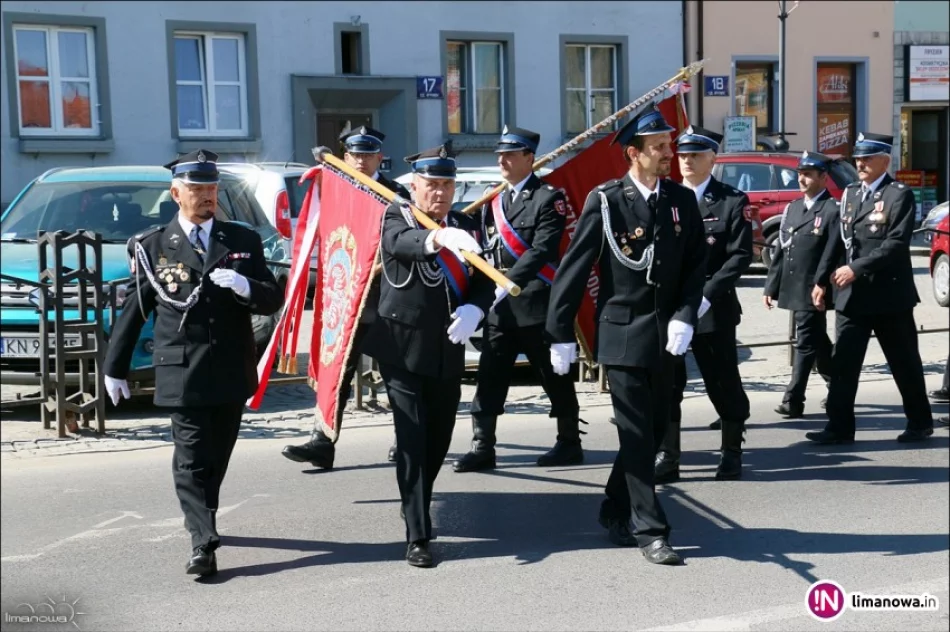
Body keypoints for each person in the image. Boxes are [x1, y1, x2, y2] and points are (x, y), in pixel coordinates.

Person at [103, 149, 284, 577]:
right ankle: (203, 541)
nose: (207, 197)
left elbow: (272, 296)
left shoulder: (241, 240)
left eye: (212, 189)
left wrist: (244, 286)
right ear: (176, 193)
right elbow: (135, 308)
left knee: (217, 454)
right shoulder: (152, 246)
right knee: (190, 457)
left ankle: (205, 513)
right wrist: (115, 366)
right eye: (197, 189)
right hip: (180, 367)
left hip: (229, 366)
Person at [546, 103, 706, 565]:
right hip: (622, 336)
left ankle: (614, 508)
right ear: (633, 154)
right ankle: (651, 530)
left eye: (667, 144)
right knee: (636, 436)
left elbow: (696, 265)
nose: (667, 152)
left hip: (666, 337)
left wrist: (686, 313)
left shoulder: (679, 200)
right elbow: (572, 270)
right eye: (657, 147)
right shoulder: (606, 200)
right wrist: (559, 331)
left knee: (655, 433)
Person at [361, 143, 494, 567]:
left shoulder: (466, 223)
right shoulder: (395, 215)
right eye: (431, 185)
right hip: (401, 345)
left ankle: (414, 496)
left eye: (447, 184)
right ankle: (418, 532)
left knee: (438, 437)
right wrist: (436, 237)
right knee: (413, 437)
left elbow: (485, 276)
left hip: (448, 346)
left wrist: (476, 306)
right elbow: (401, 244)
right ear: (414, 186)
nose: (440, 193)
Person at [453, 126, 585, 473]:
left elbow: (543, 249)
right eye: (500, 154)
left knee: (553, 375)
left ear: (529, 157)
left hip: (537, 303)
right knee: (489, 377)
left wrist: (505, 282)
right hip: (500, 309)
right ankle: (483, 445)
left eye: (510, 154)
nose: (502, 160)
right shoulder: (492, 201)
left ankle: (569, 441)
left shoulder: (548, 198)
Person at [281, 126, 408, 468]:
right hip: (346, 299)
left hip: (385, 298)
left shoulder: (395, 193)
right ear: (346, 156)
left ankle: (406, 439)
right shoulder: (337, 190)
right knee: (335, 371)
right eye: (354, 155)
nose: (361, 161)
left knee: (398, 376)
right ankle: (322, 441)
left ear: (380, 157)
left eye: (368, 154)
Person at [808, 133, 934, 444]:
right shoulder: (851, 193)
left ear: (885, 161)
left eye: (867, 158)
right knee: (844, 365)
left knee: (904, 363)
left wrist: (856, 268)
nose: (860, 164)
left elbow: (895, 244)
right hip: (852, 296)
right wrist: (821, 279)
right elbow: (838, 240)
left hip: (889, 295)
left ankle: (919, 422)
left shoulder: (898, 194)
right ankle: (838, 428)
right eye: (857, 158)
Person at [655, 125, 753, 483]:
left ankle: (731, 452)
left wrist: (706, 296)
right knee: (668, 383)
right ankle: (668, 454)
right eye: (682, 154)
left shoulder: (730, 201)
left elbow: (739, 256)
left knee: (722, 380)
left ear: (713, 158)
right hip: (671, 309)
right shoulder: (663, 197)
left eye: (695, 155)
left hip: (713, 308)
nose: (687, 161)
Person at [762, 151, 839, 418]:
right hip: (794, 286)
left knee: (805, 341)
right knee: (817, 339)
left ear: (823, 178)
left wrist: (821, 283)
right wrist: (771, 286)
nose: (802, 180)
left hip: (814, 288)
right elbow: (783, 249)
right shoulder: (794, 208)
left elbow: (831, 251)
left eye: (808, 175)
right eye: (800, 174)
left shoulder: (831, 210)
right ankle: (839, 386)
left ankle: (793, 399)